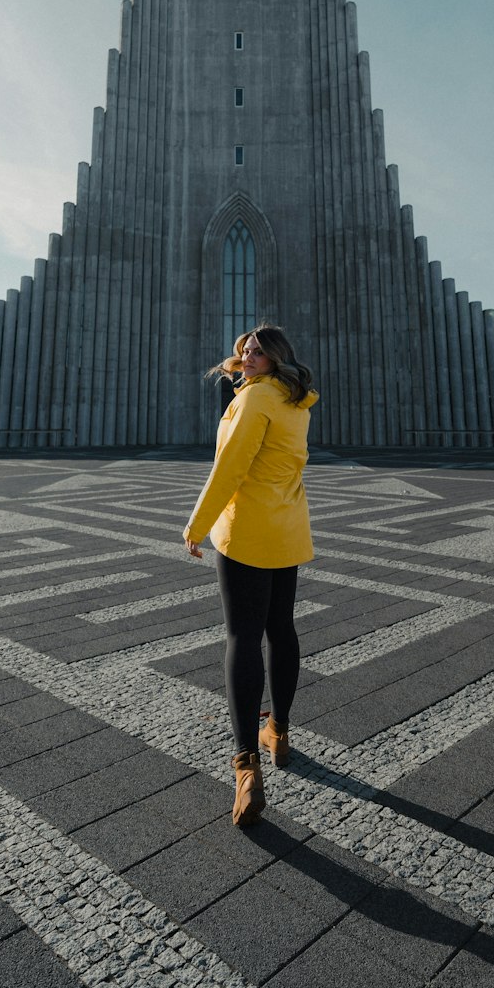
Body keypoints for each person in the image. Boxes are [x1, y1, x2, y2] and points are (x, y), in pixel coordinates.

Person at [183, 324, 318, 828]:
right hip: (286, 530)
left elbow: (229, 469)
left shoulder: (255, 401)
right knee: (280, 630)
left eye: (259, 351)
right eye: (245, 351)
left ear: (277, 356)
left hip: (247, 533)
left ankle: (246, 767)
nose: (249, 356)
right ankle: (278, 731)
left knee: (242, 637)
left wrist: (197, 524)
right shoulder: (295, 401)